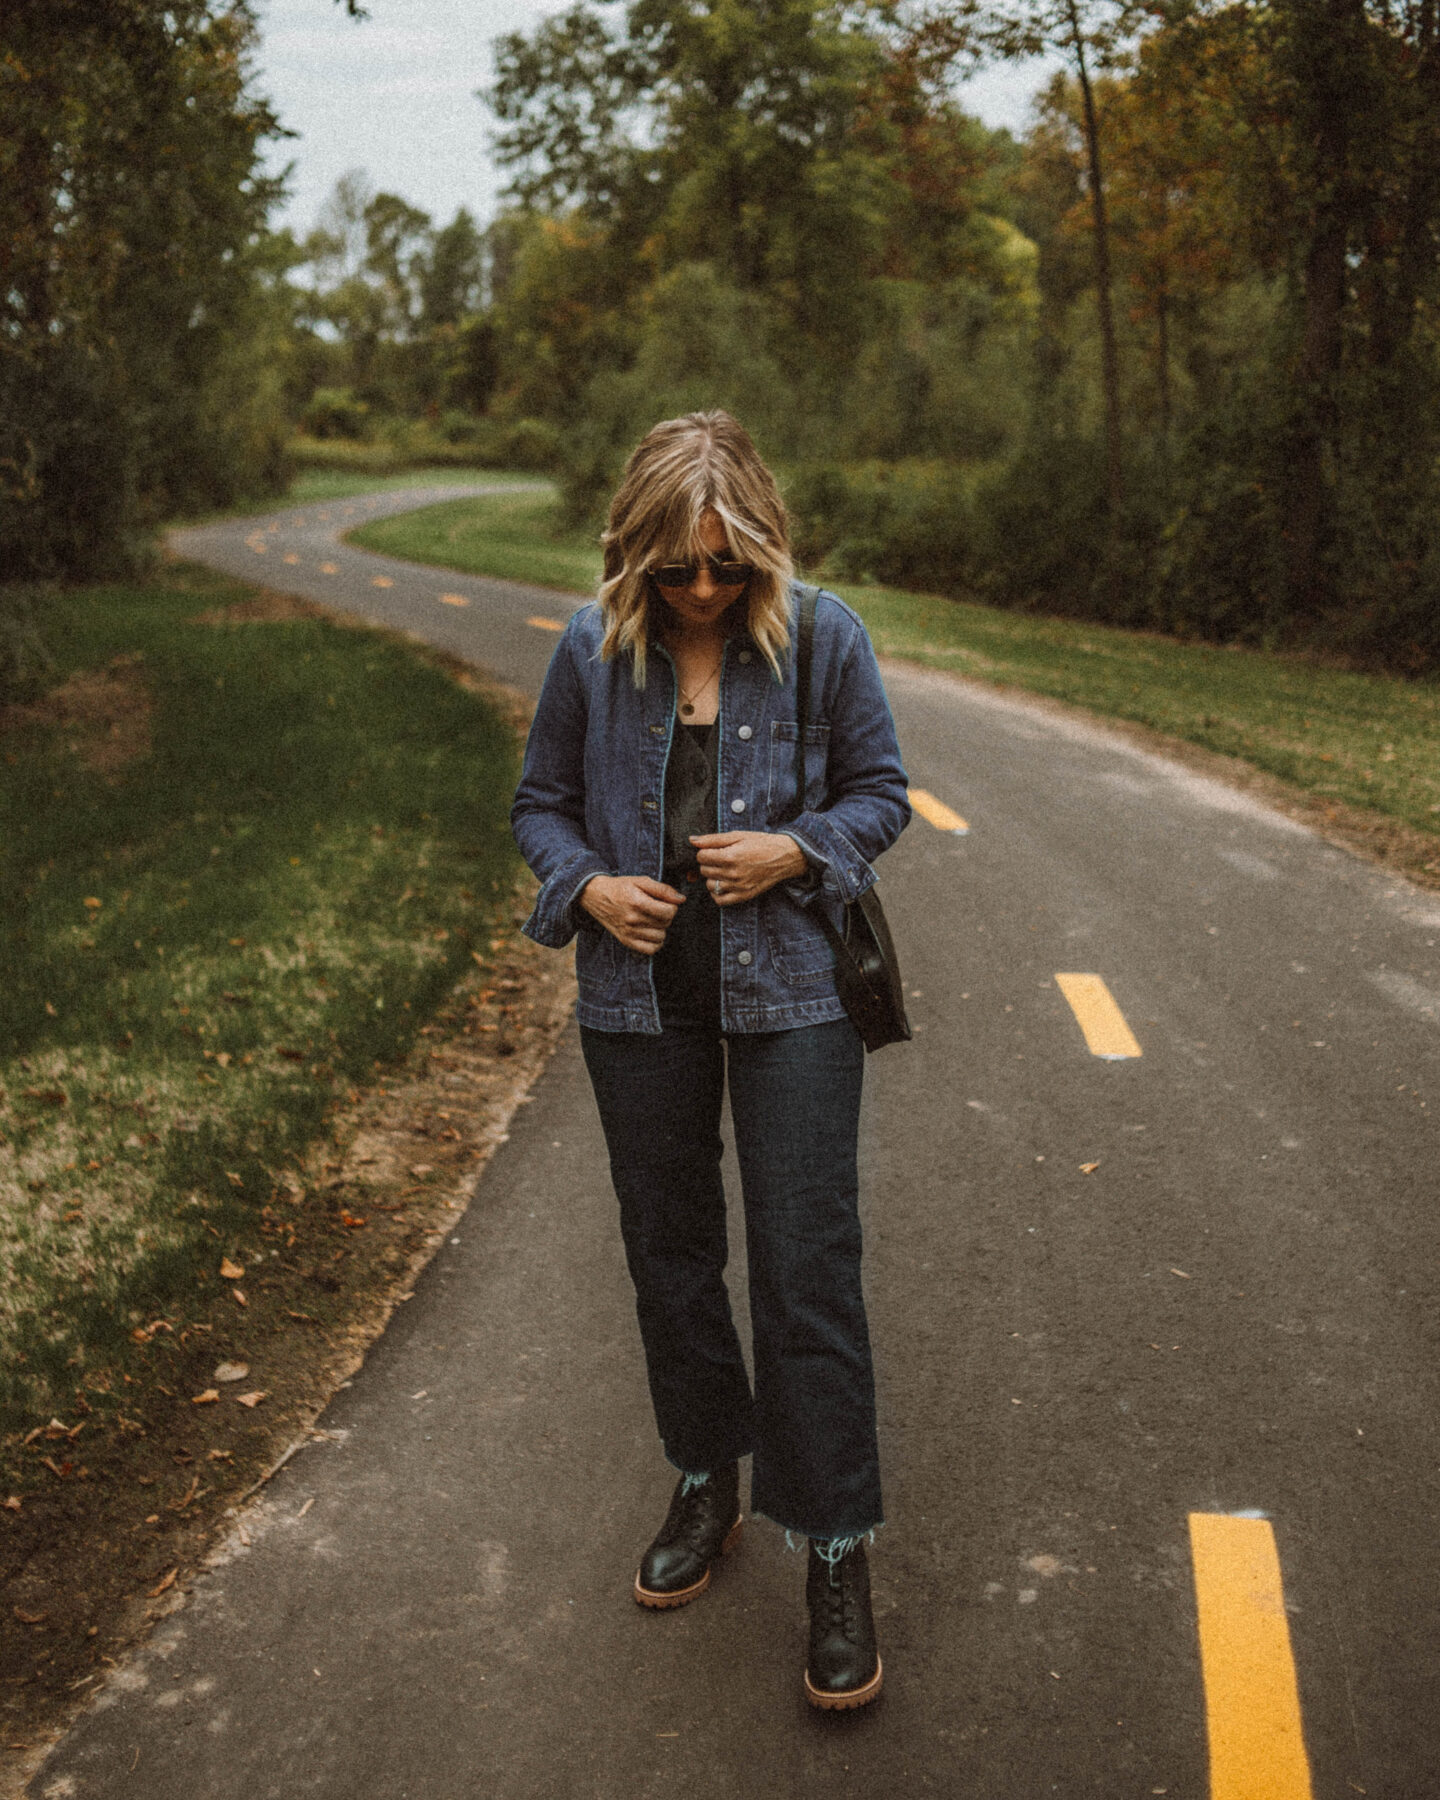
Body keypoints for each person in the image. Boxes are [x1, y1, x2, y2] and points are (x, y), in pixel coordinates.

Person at [510, 410, 910, 1709]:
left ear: (761, 555)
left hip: (795, 995)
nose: (698, 591)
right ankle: (708, 1475)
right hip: (638, 1002)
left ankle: (836, 1543)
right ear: (631, 558)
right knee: (672, 1259)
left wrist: (799, 851)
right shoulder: (591, 649)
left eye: (724, 568)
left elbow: (881, 794)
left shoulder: (825, 640)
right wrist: (588, 889)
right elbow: (540, 805)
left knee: (806, 1272)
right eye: (673, 569)